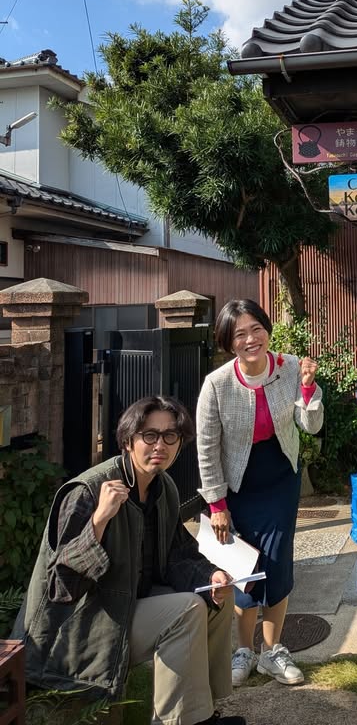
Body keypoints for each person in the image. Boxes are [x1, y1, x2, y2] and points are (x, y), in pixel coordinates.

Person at [13, 395, 246, 725]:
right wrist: (100, 520)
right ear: (127, 440)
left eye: (170, 436)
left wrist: (211, 575)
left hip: (128, 602)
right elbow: (61, 586)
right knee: (187, 610)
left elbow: (178, 555)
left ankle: (200, 709)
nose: (159, 445)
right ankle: (177, 721)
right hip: (79, 625)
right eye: (149, 435)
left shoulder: (163, 487)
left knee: (216, 598)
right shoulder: (88, 491)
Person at [196, 298, 323, 688]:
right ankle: (244, 650)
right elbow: (206, 446)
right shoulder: (217, 384)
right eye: (240, 334)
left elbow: (311, 425)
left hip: (280, 476)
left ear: (267, 330)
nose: (251, 339)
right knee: (243, 568)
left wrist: (307, 388)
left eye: (256, 329)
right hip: (238, 484)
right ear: (228, 342)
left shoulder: (287, 367)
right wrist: (217, 504)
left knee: (278, 561)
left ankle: (272, 652)